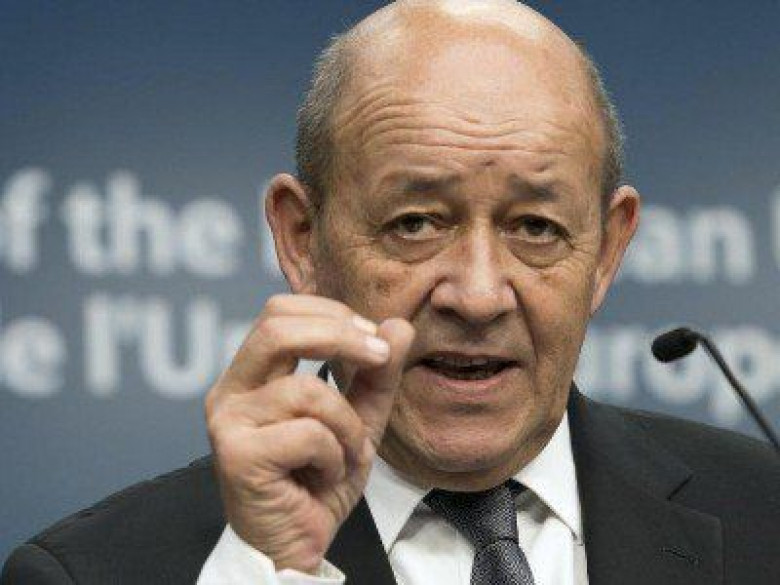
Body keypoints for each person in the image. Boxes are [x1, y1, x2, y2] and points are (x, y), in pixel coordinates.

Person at [3, 1, 779, 584]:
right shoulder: (85, 572)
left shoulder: (766, 516)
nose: (478, 295)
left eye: (536, 228)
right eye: (415, 222)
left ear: (607, 250)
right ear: (302, 239)